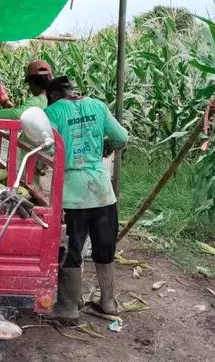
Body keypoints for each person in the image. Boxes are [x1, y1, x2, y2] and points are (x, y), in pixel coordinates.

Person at [44, 76, 129, 321]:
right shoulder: (98, 106)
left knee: (71, 249)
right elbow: (121, 139)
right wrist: (105, 144)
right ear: (73, 90)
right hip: (102, 192)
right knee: (104, 246)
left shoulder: (52, 112)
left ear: (52, 95)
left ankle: (68, 308)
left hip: (72, 194)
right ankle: (108, 302)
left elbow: (44, 146)